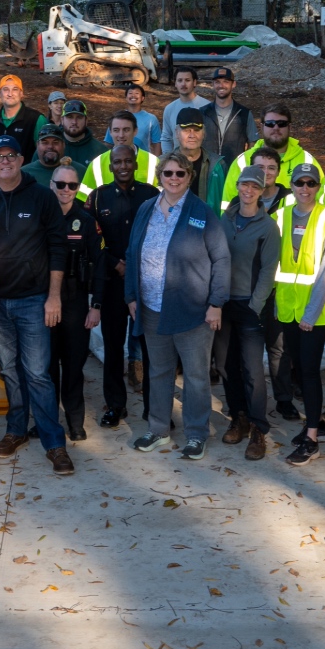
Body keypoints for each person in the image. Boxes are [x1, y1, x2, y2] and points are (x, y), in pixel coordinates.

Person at [0, 136, 75, 474]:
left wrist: (53, 296)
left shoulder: (42, 197)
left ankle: (54, 443)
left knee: (37, 373)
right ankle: (16, 431)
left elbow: (58, 248)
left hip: (34, 301)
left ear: (20, 160)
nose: (5, 162)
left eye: (11, 156)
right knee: (10, 372)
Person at [125, 151, 229, 456]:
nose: (173, 179)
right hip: (152, 308)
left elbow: (221, 258)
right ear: (159, 176)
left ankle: (196, 434)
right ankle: (158, 429)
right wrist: (131, 296)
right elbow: (132, 253)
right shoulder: (147, 208)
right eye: (167, 173)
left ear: (189, 177)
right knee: (158, 371)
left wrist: (216, 303)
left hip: (193, 311)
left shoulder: (201, 212)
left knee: (196, 376)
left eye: (179, 174)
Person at [275, 163, 325, 466]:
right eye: (299, 183)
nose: (305, 188)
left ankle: (312, 438)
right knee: (298, 370)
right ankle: (317, 424)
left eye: (311, 183)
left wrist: (311, 313)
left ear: (319, 186)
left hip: (313, 314)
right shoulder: (280, 215)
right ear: (290, 185)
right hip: (287, 309)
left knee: (309, 372)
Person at [89, 146, 158, 428]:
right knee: (114, 346)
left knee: (150, 348)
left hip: (145, 283)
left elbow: (159, 235)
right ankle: (115, 405)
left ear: (136, 163)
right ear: (110, 166)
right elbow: (93, 239)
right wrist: (115, 263)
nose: (123, 166)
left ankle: (155, 408)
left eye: (128, 161)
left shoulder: (152, 194)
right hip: (113, 282)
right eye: (117, 162)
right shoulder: (98, 197)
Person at [220, 168, 280, 459]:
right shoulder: (226, 219)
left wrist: (255, 306)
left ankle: (258, 429)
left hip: (250, 306)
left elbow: (269, 270)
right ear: (239, 185)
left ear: (261, 189)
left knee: (253, 369)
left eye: (254, 186)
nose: (248, 190)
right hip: (223, 304)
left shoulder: (267, 226)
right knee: (226, 366)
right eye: (244, 184)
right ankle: (239, 418)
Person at [46, 163, 103, 442]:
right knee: (45, 367)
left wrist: (97, 306)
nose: (66, 190)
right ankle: (47, 422)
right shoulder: (41, 217)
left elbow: (100, 265)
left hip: (77, 301)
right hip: (45, 301)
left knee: (73, 365)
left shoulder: (86, 220)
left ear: (78, 188)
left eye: (72, 186)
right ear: (51, 185)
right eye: (60, 185)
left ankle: (75, 421)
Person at [221, 103, 323, 190]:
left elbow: (322, 199)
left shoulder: (307, 161)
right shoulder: (242, 161)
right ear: (261, 127)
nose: (276, 128)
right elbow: (228, 204)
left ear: (289, 127)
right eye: (270, 124)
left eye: (281, 124)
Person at [82, 110, 162, 197]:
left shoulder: (154, 162)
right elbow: (83, 199)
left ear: (135, 131)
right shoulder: (97, 164)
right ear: (110, 132)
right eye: (116, 130)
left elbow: (164, 198)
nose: (121, 135)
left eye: (126, 130)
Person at [169, 108, 223, 208]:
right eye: (186, 130)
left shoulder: (218, 165)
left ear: (204, 133)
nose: (192, 135)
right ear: (177, 133)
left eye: (197, 130)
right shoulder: (164, 165)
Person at [0, 74, 43, 161]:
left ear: (21, 93)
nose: (10, 94)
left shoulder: (36, 119)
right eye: (6, 89)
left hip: (26, 174)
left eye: (15, 89)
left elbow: (44, 152)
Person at [201, 67, 253, 162]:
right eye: (217, 82)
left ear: (233, 84)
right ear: (212, 84)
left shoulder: (244, 113)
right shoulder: (202, 112)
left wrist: (246, 164)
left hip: (233, 170)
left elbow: (253, 143)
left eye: (226, 81)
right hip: (208, 170)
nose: (221, 85)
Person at [104, 81, 161, 154]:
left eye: (137, 93)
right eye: (130, 93)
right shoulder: (118, 118)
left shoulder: (151, 119)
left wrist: (157, 162)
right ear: (126, 98)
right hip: (119, 159)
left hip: (142, 159)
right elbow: (108, 143)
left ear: (142, 98)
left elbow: (157, 143)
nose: (133, 95)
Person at [58, 99, 101, 167]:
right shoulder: (50, 148)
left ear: (86, 120)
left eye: (79, 117)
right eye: (70, 117)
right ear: (62, 120)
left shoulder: (99, 150)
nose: (74, 122)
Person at [162, 67, 203, 135]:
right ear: (175, 83)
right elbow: (166, 137)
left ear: (194, 82)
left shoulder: (207, 107)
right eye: (180, 80)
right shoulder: (169, 109)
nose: (183, 84)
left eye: (187, 80)